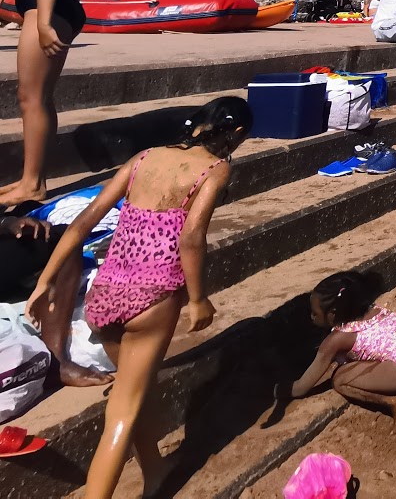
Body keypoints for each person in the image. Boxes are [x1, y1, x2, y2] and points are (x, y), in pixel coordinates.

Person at [27, 96, 251, 498]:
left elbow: (83, 222)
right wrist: (198, 299)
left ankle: (156, 470)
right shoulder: (215, 171)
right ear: (235, 135)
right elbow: (192, 238)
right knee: (122, 413)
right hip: (154, 297)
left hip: (106, 295)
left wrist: (45, 282)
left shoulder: (144, 158)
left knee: (135, 388)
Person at [0, 0, 94, 206]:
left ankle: (33, 185)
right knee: (41, 98)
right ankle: (32, 179)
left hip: (47, 13)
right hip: (67, 9)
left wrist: (41, 24)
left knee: (31, 99)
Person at [283, 270, 396, 433]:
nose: (312, 317)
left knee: (339, 379)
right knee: (377, 363)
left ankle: (394, 401)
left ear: (333, 313)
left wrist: (277, 390)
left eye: (315, 313)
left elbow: (301, 387)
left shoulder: (337, 339)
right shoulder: (371, 309)